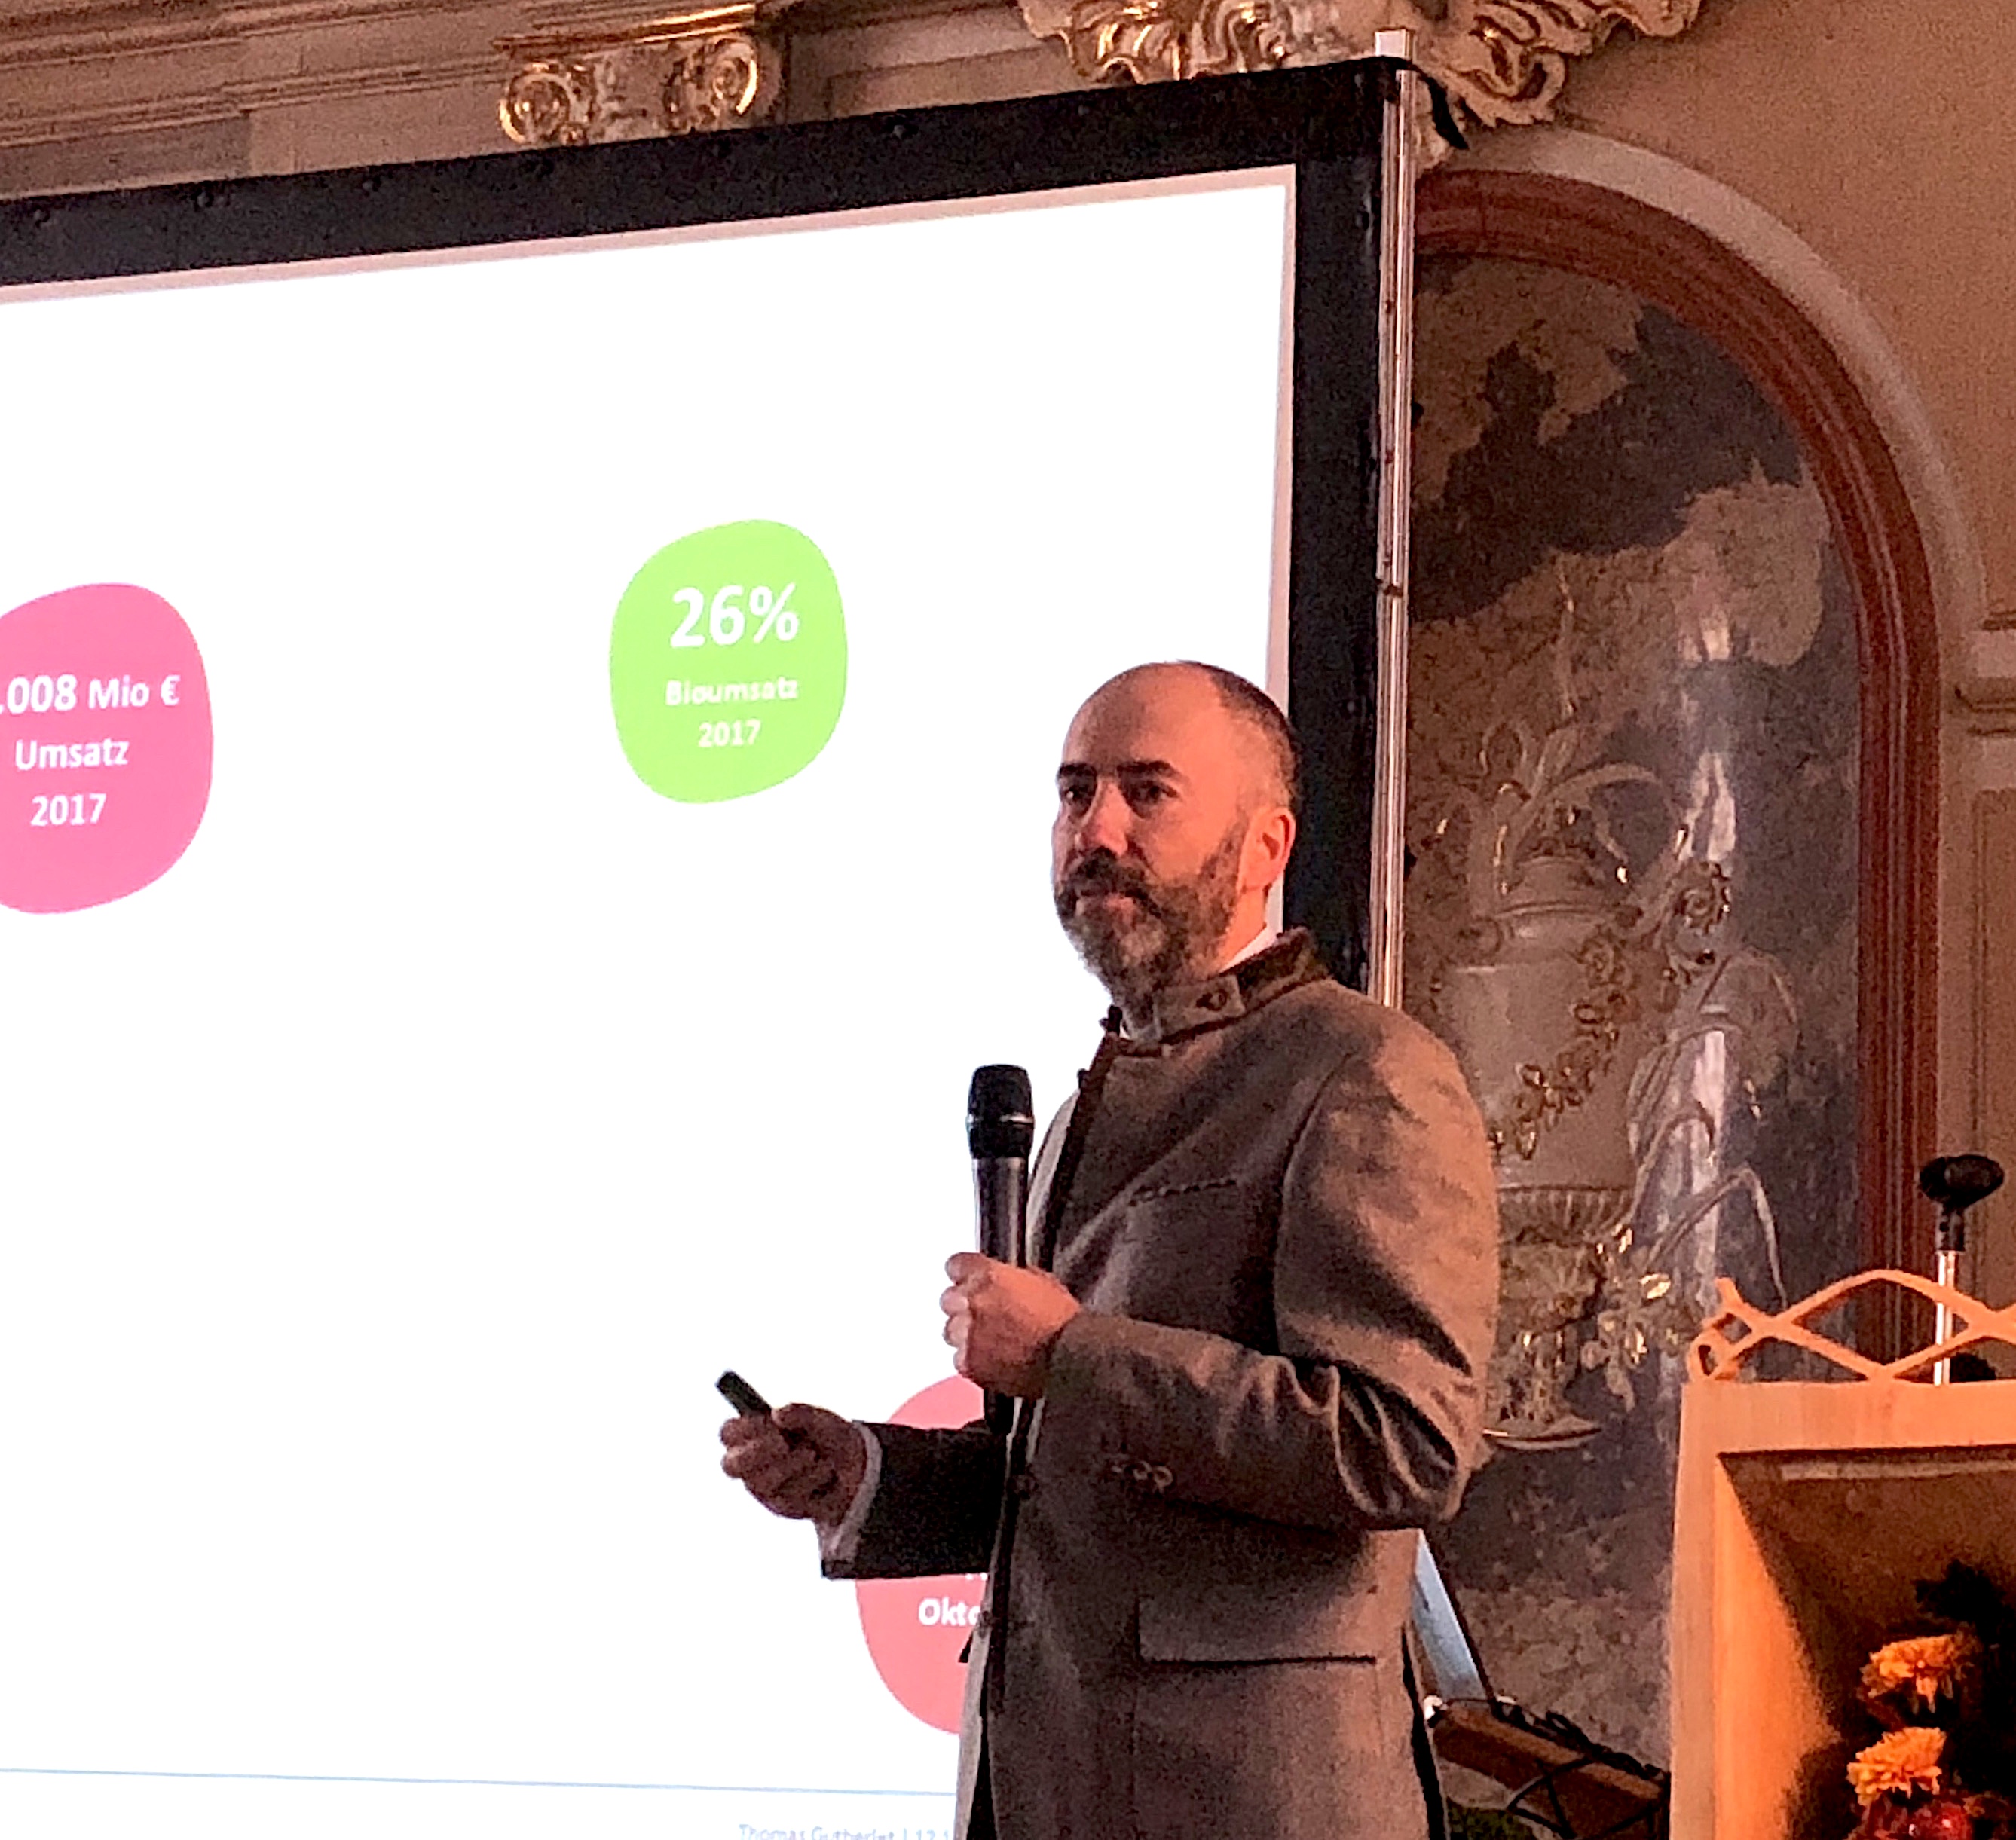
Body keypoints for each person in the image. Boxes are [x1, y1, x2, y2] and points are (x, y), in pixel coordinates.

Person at [721, 661, 1499, 1840]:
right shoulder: (1087, 1101)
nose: (1096, 831)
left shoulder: (1363, 1073)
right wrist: (867, 1475)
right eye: (1075, 792)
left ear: (1267, 845)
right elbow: (1062, 1476)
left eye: (1148, 792)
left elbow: (1402, 1446)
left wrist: (1075, 1353)